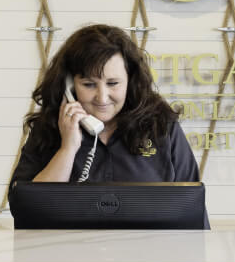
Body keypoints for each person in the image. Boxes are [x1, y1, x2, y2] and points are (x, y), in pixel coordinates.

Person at [10, 24, 201, 188]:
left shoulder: (162, 126)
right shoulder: (49, 127)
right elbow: (25, 208)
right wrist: (67, 149)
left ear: (130, 81)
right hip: (68, 234)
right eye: (89, 84)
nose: (102, 98)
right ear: (69, 85)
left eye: (113, 83)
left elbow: (192, 204)